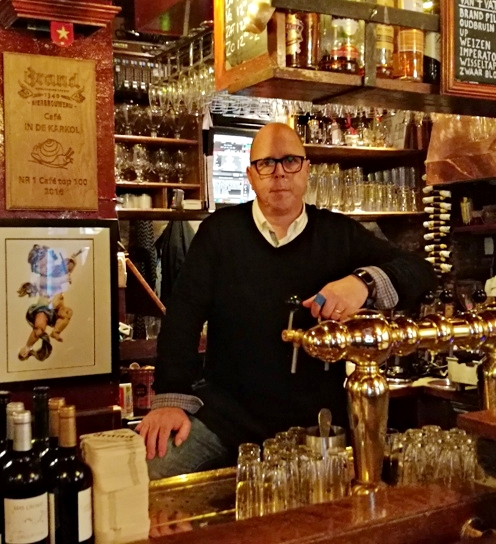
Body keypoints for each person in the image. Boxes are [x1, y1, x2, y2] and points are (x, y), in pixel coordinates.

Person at [137, 123, 436, 479]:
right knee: (148, 471)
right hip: (227, 416)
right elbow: (182, 316)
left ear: (307, 169)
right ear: (250, 174)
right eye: (267, 163)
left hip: (317, 421)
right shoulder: (220, 232)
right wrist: (171, 398)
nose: (279, 173)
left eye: (290, 161)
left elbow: (420, 270)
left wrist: (363, 283)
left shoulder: (338, 233)